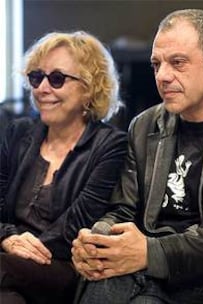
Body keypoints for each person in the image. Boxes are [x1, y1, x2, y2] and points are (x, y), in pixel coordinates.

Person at [71, 8, 203, 304]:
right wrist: (98, 239)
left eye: (177, 63)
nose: (162, 76)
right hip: (144, 265)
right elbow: (122, 210)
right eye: (156, 64)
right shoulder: (145, 124)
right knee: (100, 282)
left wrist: (151, 253)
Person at [0, 31, 128, 304]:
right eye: (36, 77)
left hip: (61, 266)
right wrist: (9, 238)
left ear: (89, 89)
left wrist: (21, 251)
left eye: (57, 79)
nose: (42, 88)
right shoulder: (17, 133)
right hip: (9, 263)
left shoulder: (110, 145)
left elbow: (76, 226)